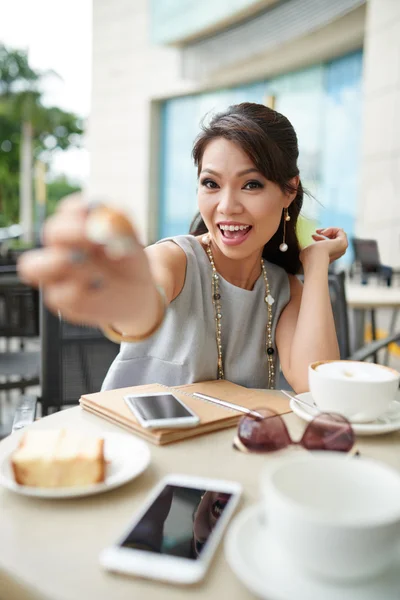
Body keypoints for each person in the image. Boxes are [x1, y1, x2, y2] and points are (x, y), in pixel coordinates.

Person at [18, 103, 347, 394]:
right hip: (139, 451)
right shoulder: (176, 258)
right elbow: (146, 301)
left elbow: (313, 382)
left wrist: (316, 263)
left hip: (223, 459)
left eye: (252, 184)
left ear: (289, 190)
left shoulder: (283, 287)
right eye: (211, 184)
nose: (227, 206)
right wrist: (127, 302)